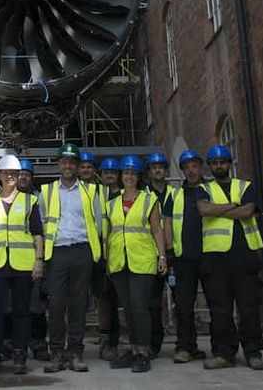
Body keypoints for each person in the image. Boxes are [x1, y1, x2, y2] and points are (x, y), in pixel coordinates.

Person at [195, 144, 263, 371]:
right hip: (215, 258)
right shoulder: (203, 188)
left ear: (229, 163)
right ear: (210, 166)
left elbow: (248, 211)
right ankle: (224, 353)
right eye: (215, 163)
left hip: (245, 255)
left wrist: (220, 210)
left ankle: (253, 352)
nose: (219, 166)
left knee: (249, 306)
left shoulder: (245, 186)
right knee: (220, 309)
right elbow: (204, 210)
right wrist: (234, 206)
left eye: (222, 162)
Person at [0, 154, 45, 375]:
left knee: (21, 311)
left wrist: (39, 261)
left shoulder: (30, 201)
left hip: (23, 264)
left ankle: (19, 355)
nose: (10, 177)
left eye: (14, 174)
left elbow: (37, 233)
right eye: (6, 173)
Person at [40, 143, 102, 373]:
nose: (67, 166)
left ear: (77, 166)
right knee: (56, 305)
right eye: (64, 162)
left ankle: (75, 352)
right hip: (56, 253)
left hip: (82, 251)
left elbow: (98, 223)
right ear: (59, 165)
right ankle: (57, 353)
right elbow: (41, 224)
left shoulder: (90, 191)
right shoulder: (47, 191)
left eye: (72, 162)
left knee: (78, 304)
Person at [105, 154, 168, 373]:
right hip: (119, 262)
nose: (129, 176)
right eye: (126, 173)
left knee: (140, 308)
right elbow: (109, 234)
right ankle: (133, 349)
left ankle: (143, 352)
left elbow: (157, 230)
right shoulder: (112, 203)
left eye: (133, 173)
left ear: (139, 176)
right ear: (121, 176)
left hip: (142, 261)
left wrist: (162, 257)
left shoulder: (149, 200)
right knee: (129, 308)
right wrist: (108, 262)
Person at [164, 150, 208, 363]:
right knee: (183, 307)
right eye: (187, 167)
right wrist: (170, 251)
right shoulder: (175, 195)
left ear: (200, 168)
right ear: (182, 170)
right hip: (183, 259)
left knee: (218, 304)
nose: (191, 171)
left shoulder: (212, 191)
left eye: (194, 166)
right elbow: (167, 223)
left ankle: (221, 348)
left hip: (210, 256)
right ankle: (185, 347)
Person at [18, 158, 50, 361]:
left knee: (36, 304)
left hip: (35, 257)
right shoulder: (6, 198)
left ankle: (38, 344)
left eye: (27, 175)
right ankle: (13, 345)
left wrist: (42, 257)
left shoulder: (40, 199)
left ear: (32, 178)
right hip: (12, 259)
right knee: (12, 304)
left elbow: (45, 228)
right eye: (20, 174)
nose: (23, 178)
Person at [145, 151, 176, 358]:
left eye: (161, 167)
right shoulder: (143, 195)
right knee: (153, 302)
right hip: (153, 253)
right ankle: (154, 344)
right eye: (154, 167)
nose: (157, 170)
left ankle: (186, 345)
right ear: (149, 171)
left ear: (165, 170)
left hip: (175, 252)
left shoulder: (175, 194)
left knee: (183, 301)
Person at [95, 157, 122, 361]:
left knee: (121, 301)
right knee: (104, 301)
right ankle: (106, 343)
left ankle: (116, 342)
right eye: (106, 172)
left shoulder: (126, 195)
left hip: (122, 254)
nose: (109, 175)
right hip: (100, 255)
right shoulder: (96, 195)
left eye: (113, 172)